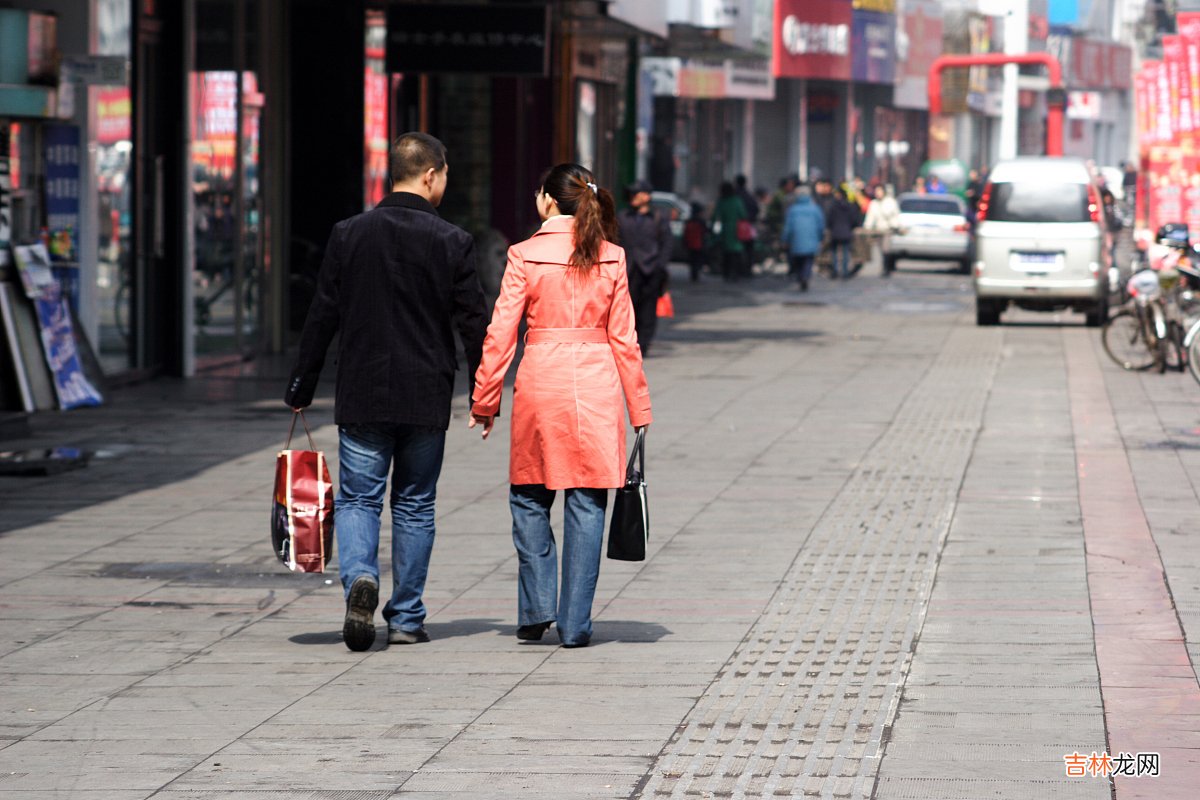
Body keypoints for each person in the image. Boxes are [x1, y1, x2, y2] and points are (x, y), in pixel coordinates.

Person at [284, 132, 488, 651]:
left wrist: (301, 384)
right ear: (430, 174)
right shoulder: (453, 242)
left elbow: (322, 313)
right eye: (445, 175)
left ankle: (359, 581)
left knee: (358, 499)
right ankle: (407, 617)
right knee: (416, 505)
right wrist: (484, 391)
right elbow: (473, 324)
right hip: (425, 395)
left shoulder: (349, 234)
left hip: (364, 390)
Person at [469, 163, 653, 648]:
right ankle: (574, 624)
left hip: (541, 384)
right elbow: (626, 340)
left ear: (548, 201)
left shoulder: (524, 254)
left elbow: (501, 333)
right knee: (588, 501)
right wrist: (640, 409)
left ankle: (535, 609)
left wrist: (486, 398)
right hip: (597, 386)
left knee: (529, 495)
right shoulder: (610, 256)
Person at [617, 180, 672, 356]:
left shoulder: (658, 217)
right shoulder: (623, 217)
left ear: (647, 196)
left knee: (648, 309)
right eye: (631, 194)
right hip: (628, 269)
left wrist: (660, 266)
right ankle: (630, 342)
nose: (632, 197)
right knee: (628, 308)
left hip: (651, 269)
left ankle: (644, 343)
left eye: (637, 194)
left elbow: (666, 244)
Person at [781, 185, 825, 291]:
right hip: (811, 239)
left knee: (798, 260)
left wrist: (785, 239)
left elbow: (788, 227)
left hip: (796, 240)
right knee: (808, 260)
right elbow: (820, 225)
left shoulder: (793, 210)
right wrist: (820, 237)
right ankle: (805, 276)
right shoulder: (815, 209)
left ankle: (801, 276)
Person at [714, 181, 748, 282]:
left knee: (726, 255)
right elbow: (743, 215)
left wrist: (715, 232)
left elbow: (716, 217)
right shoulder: (737, 201)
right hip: (737, 231)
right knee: (736, 254)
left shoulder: (721, 201)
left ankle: (726, 274)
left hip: (725, 231)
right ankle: (736, 274)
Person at [863, 184, 900, 275]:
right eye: (876, 191)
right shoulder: (874, 203)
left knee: (886, 249)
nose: (878, 193)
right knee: (880, 249)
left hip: (888, 229)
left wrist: (896, 225)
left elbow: (896, 215)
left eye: (879, 191)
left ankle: (887, 268)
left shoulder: (891, 202)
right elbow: (870, 217)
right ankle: (884, 267)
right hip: (878, 229)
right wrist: (867, 227)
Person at [825, 187, 859, 279]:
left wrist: (830, 227)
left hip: (835, 232)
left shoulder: (833, 206)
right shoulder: (850, 206)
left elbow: (829, 220)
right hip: (846, 232)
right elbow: (854, 220)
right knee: (845, 253)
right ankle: (845, 272)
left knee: (834, 253)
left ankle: (835, 271)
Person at [683, 202, 709, 282]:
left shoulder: (689, 221)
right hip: (698, 245)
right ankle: (696, 275)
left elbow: (685, 233)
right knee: (697, 261)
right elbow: (705, 232)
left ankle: (693, 275)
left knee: (692, 261)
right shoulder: (701, 221)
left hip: (691, 245)